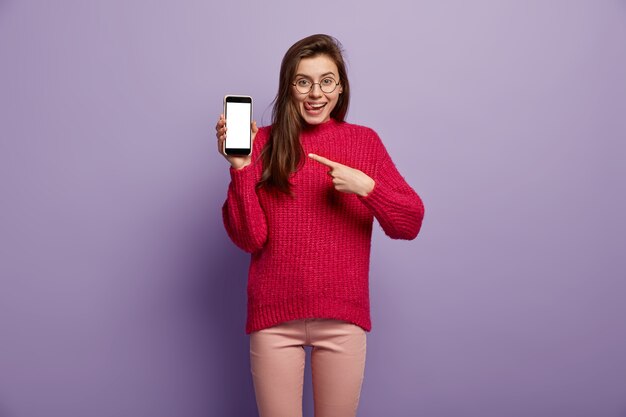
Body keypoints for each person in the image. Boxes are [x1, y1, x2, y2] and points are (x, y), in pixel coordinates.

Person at [215, 34, 424, 417]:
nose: (316, 94)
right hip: (274, 319)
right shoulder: (263, 141)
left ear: (340, 86)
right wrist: (241, 170)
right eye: (303, 82)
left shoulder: (364, 143)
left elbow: (409, 222)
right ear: (288, 86)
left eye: (326, 81)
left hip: (342, 319)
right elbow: (250, 238)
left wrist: (366, 188)